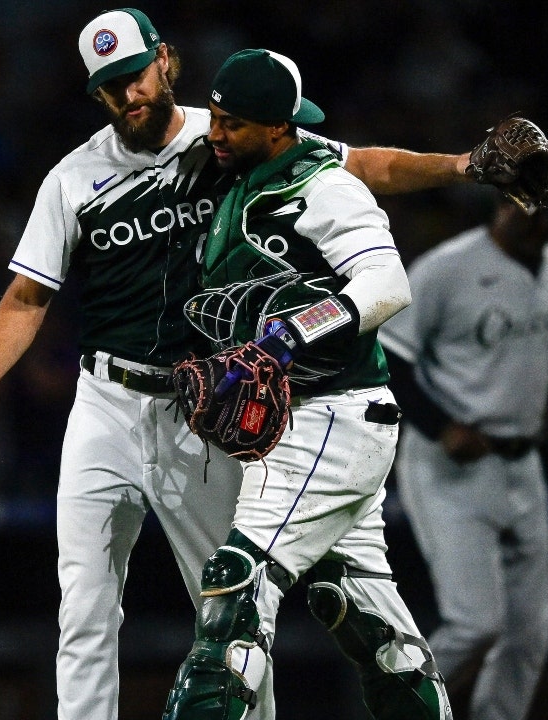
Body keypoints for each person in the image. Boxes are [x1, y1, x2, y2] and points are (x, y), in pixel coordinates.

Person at [0, 9, 495, 720]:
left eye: (136, 76)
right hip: (106, 400)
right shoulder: (73, 179)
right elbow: (25, 296)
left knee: (231, 606)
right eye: (112, 88)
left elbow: (358, 165)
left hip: (200, 406)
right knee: (83, 602)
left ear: (164, 60)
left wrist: (460, 167)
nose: (130, 96)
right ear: (97, 95)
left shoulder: (229, 132)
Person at [159, 48, 448, 720]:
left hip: (334, 415)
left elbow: (385, 283)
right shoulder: (237, 184)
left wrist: (289, 336)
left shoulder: (324, 186)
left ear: (278, 127)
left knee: (237, 588)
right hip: (298, 427)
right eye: (216, 117)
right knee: (371, 627)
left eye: (232, 122)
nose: (216, 133)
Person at [378, 157, 548, 719]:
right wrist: (441, 427)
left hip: (522, 462)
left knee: (528, 637)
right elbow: (387, 358)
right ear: (502, 203)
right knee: (476, 623)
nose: (543, 228)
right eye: (534, 214)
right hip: (449, 464)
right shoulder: (446, 269)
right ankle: (396, 708)